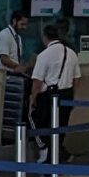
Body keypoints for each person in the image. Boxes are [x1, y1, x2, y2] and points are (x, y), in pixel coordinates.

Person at [29, 22, 78, 159]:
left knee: (42, 124)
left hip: (49, 96)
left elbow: (37, 81)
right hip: (67, 94)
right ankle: (58, 154)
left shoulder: (44, 55)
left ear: (45, 38)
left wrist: (33, 98)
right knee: (61, 126)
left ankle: (45, 152)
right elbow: (77, 78)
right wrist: (73, 95)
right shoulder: (72, 53)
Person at [0, 10, 31, 137]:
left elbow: (16, 58)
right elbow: (4, 59)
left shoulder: (17, 37)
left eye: (26, 25)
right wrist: (18, 67)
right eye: (22, 24)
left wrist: (25, 66)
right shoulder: (4, 36)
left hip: (17, 78)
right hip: (8, 78)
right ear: (14, 21)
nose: (24, 27)